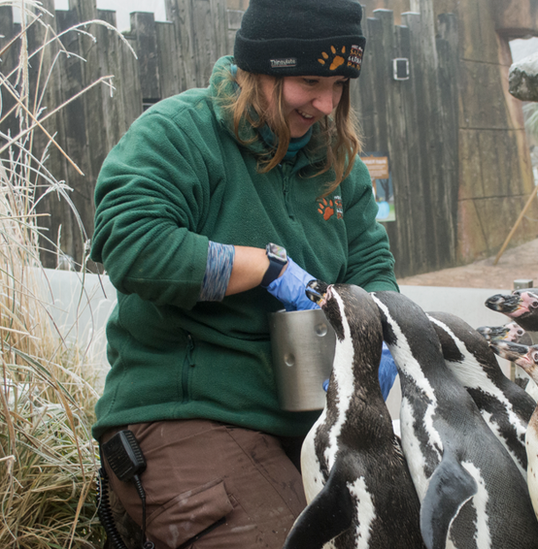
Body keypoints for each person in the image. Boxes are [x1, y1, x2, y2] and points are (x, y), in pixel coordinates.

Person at [89, 0, 397, 546]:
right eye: (309, 81)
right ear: (260, 70)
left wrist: (382, 328)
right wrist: (263, 267)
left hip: (308, 427)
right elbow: (129, 243)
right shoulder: (179, 132)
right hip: (184, 415)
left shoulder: (337, 162)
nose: (326, 103)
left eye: (340, 84)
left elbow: (371, 263)